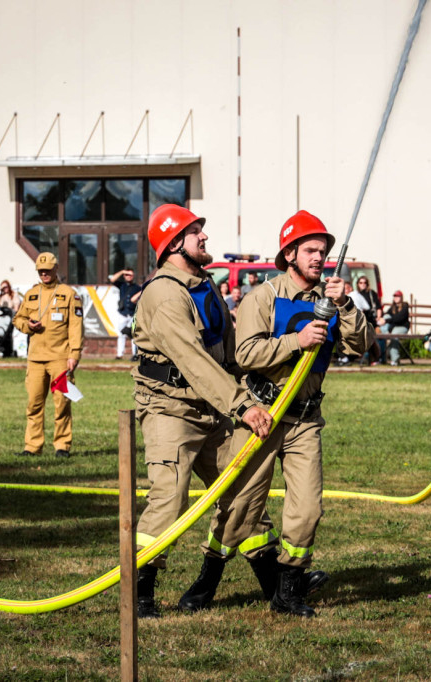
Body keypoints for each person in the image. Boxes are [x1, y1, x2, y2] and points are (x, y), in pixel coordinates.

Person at [186, 210, 374, 618]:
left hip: (306, 420)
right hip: (262, 414)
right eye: (310, 250)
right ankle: (207, 579)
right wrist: (297, 340)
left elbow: (361, 345)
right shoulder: (263, 297)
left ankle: (288, 590)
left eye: (323, 251)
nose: (318, 258)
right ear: (289, 253)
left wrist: (344, 303)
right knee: (240, 508)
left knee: (307, 510)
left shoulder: (330, 301)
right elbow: (245, 353)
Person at [131, 204, 287, 618]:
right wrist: (242, 406)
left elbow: (226, 347)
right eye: (194, 231)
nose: (204, 236)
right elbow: (192, 359)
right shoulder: (165, 292)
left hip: (209, 408)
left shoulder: (203, 284)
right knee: (169, 497)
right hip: (169, 411)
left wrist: (255, 380)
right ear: (174, 244)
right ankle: (139, 592)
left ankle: (275, 585)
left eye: (200, 229)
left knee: (243, 491)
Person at [12, 253, 84, 458]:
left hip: (60, 359)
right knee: (34, 404)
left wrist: (75, 354)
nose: (44, 274)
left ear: (56, 268)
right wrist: (28, 325)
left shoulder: (69, 294)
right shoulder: (31, 294)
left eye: (48, 270)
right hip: (35, 359)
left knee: (62, 402)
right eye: (41, 271)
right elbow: (18, 319)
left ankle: (62, 446)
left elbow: (76, 326)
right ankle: (32, 447)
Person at [109, 268, 142, 360]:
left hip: (132, 314)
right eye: (127, 275)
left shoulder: (137, 287)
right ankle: (120, 354)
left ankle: (135, 354)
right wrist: (122, 271)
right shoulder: (122, 285)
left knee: (133, 335)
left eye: (130, 275)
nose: (129, 277)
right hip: (123, 314)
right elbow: (112, 279)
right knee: (121, 334)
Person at [378, 290, 410, 367]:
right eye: (395, 296)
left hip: (402, 327)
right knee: (386, 316)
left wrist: (386, 320)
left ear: (401, 297)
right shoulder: (392, 307)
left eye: (398, 296)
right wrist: (382, 319)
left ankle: (394, 360)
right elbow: (388, 317)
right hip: (393, 327)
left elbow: (399, 319)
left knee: (394, 336)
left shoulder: (405, 307)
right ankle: (385, 334)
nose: (396, 297)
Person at [354, 276, 381, 364]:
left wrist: (378, 318)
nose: (363, 285)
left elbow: (378, 307)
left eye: (364, 283)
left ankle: (376, 358)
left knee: (372, 338)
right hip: (359, 320)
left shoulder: (371, 293)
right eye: (360, 283)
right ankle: (361, 357)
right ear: (357, 284)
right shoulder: (355, 294)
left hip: (370, 319)